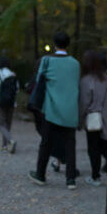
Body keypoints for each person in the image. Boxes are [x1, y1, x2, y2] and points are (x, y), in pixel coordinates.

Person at [28, 30, 80, 189]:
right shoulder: (75, 63)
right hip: (70, 109)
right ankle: (70, 179)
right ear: (68, 44)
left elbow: (38, 81)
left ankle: (40, 174)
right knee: (70, 144)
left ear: (54, 44)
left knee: (46, 142)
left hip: (51, 109)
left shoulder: (46, 61)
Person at [79, 49, 107, 185]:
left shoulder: (86, 80)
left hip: (93, 118)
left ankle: (95, 176)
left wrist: (80, 120)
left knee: (93, 148)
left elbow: (84, 103)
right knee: (105, 146)